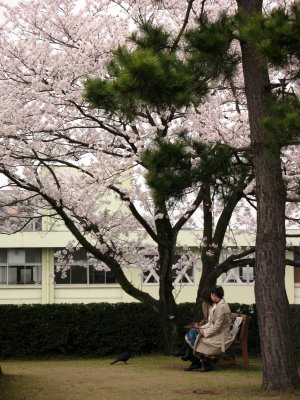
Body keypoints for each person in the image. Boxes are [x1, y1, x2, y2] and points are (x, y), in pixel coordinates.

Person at [193, 285, 235, 372]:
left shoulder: (221, 307)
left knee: (201, 340)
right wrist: (202, 329)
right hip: (220, 333)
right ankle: (205, 364)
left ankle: (206, 365)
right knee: (200, 337)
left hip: (223, 336)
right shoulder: (219, 305)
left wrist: (205, 332)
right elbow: (212, 323)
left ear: (214, 295)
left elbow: (216, 326)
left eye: (211, 294)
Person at [172, 287, 213, 370]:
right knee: (190, 330)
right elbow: (206, 319)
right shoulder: (204, 304)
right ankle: (191, 357)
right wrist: (199, 324)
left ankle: (187, 354)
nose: (203, 301)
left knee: (192, 332)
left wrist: (200, 327)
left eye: (204, 299)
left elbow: (212, 322)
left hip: (210, 329)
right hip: (205, 327)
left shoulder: (215, 307)